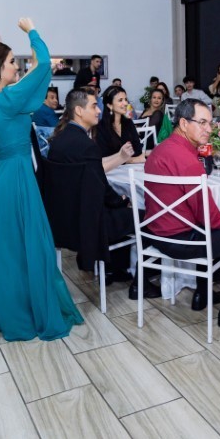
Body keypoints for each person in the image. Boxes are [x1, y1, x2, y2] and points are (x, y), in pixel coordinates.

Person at [0, 18, 83, 341]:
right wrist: (32, 31)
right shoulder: (9, 100)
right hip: (16, 178)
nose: (17, 66)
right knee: (24, 245)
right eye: (12, 62)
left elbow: (22, 74)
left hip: (5, 176)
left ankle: (2, 306)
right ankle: (23, 309)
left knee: (5, 246)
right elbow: (44, 64)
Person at [144, 99, 220, 328]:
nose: (208, 129)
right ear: (183, 123)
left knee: (218, 234)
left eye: (210, 123)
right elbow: (206, 215)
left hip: (155, 233)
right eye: (202, 122)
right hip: (179, 240)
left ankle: (203, 292)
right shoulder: (188, 161)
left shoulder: (161, 149)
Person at [48, 89, 161, 296]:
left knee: (124, 209)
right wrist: (122, 200)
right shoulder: (86, 145)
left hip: (63, 221)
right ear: (79, 111)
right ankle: (141, 282)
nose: (99, 111)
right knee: (148, 217)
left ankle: (117, 268)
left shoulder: (59, 141)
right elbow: (101, 188)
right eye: (94, 106)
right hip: (90, 223)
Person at [96, 86, 145, 162]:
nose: (125, 103)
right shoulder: (101, 128)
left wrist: (126, 159)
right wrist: (131, 160)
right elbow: (104, 157)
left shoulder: (128, 122)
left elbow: (138, 149)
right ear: (109, 105)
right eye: (120, 100)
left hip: (131, 167)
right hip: (111, 169)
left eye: (126, 99)